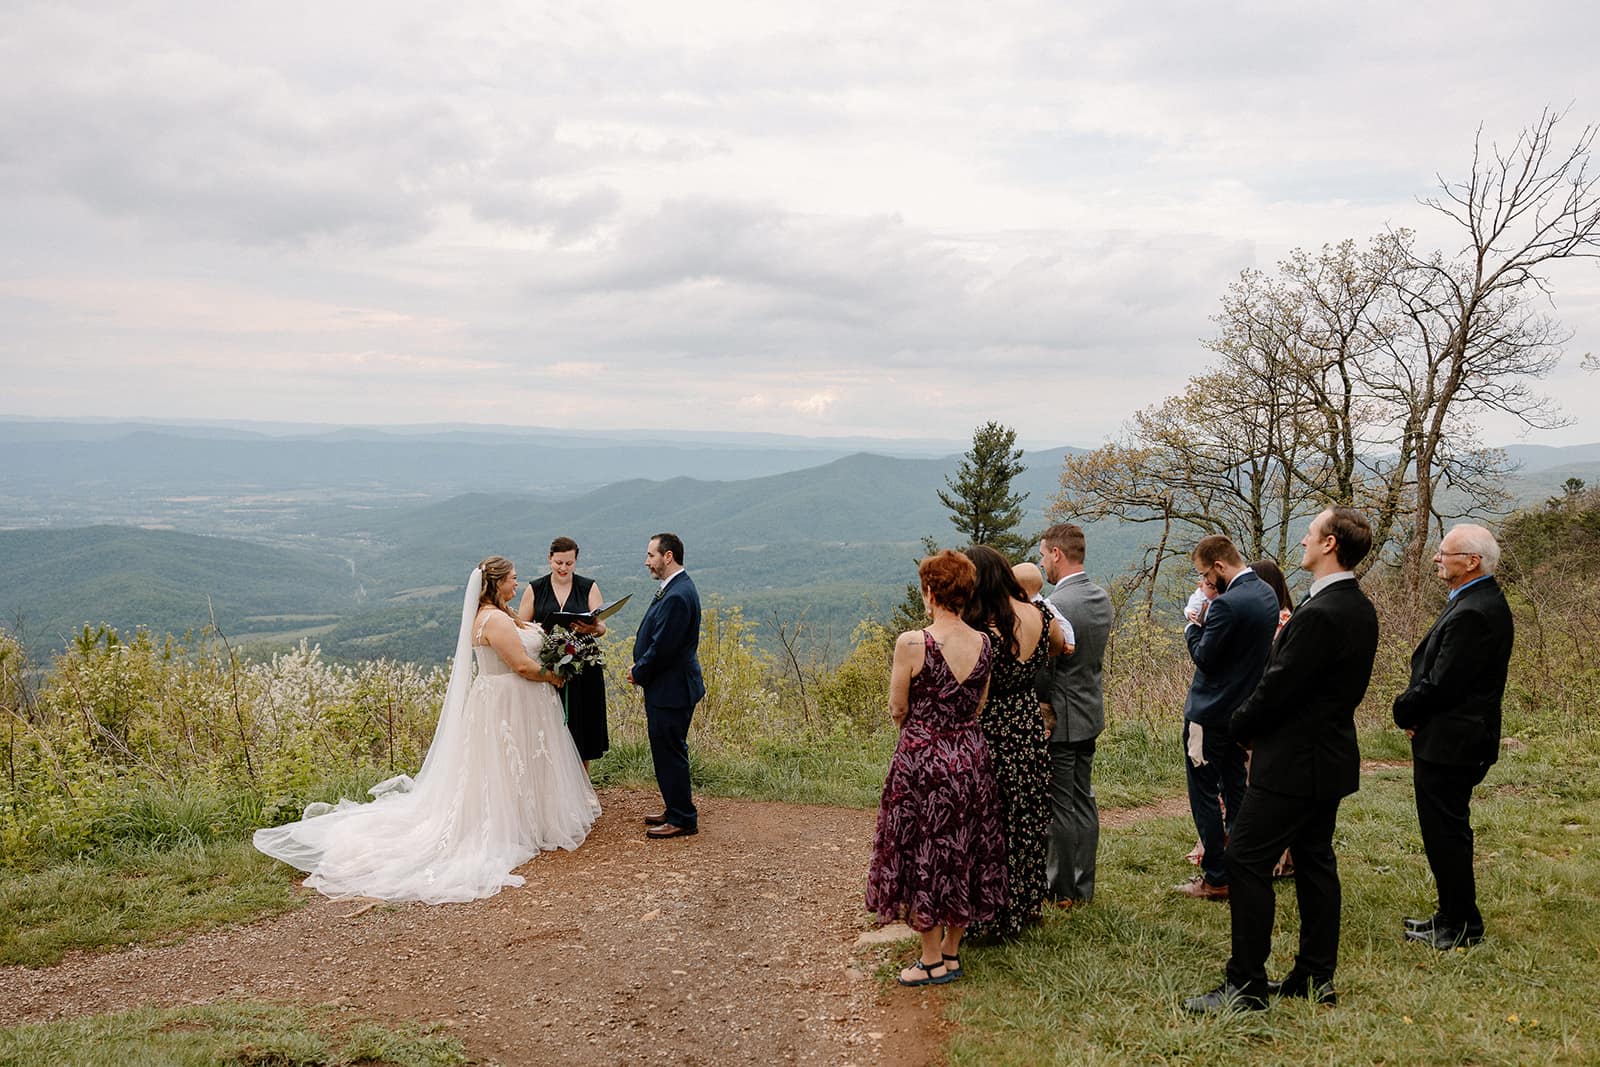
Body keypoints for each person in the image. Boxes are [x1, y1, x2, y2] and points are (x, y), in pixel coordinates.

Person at [253, 556, 601, 902]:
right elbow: (522, 666)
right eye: (512, 578)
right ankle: (511, 824)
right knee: (506, 763)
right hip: (509, 701)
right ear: (495, 583)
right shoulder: (493, 620)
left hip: (518, 703)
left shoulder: (504, 615)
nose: (517, 583)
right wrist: (556, 675)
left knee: (518, 762)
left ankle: (530, 819)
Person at [1185, 508, 1379, 1012]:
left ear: (1330, 544)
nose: (1302, 541)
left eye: (1310, 534)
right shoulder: (1359, 606)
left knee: (1246, 859)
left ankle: (1245, 985)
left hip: (1293, 761)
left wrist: (1240, 728)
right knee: (1316, 859)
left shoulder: (1320, 614)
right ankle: (1315, 976)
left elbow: (1278, 689)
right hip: (1331, 756)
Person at [866, 550, 1007, 985]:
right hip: (971, 757)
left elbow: (897, 706)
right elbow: (978, 705)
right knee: (965, 849)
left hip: (922, 759)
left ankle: (930, 961)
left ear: (929, 591)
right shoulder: (986, 643)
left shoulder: (912, 643)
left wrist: (918, 732)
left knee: (922, 849)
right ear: (966, 592)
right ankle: (951, 951)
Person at [1392, 523, 1513, 950]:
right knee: (1442, 832)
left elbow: (1444, 683)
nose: (1436, 559)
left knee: (1446, 834)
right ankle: (1450, 915)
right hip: (1448, 737)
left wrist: (1403, 710)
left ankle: (1462, 926)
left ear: (1472, 561)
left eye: (1444, 552)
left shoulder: (1475, 613)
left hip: (1453, 742)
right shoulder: (1472, 600)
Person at [963, 546, 1069, 938]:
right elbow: (1058, 646)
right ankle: (1024, 906)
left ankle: (986, 915)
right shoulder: (1039, 614)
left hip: (988, 727)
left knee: (986, 820)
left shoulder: (978, 627)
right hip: (1026, 725)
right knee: (1025, 817)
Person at [1173, 536, 1281, 902]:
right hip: (1242, 711)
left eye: (1205, 574)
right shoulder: (1267, 594)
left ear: (1219, 566)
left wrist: (1192, 626)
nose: (1205, 582)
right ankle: (1242, 866)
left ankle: (1216, 876)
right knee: (1237, 788)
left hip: (1209, 712)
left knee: (1203, 791)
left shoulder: (1226, 606)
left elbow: (1205, 656)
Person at [1036, 523, 1113, 907]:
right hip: (1090, 710)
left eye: (1042, 554)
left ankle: (1060, 889)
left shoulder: (1056, 606)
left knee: (1059, 805)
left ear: (1056, 554)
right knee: (1084, 799)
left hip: (1062, 717)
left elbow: (1045, 668)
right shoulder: (1101, 597)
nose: (1041, 563)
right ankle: (1084, 887)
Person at [627, 533, 705, 840]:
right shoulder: (674, 588)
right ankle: (675, 808)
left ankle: (683, 818)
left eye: (651, 555)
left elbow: (664, 648)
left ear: (668, 556)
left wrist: (639, 671)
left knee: (670, 752)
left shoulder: (676, 595)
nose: (647, 561)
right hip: (668, 687)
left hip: (671, 689)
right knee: (666, 750)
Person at [519, 536, 610, 772]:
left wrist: (591, 628)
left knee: (583, 725)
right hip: (547, 665)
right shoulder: (535, 588)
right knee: (550, 725)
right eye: (559, 562)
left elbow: (601, 626)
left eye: (569, 563)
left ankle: (583, 784)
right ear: (550, 559)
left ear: (576, 562)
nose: (563, 568)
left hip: (583, 665)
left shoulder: (588, 586)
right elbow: (520, 627)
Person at [1248, 557, 1297, 879]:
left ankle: (1270, 857)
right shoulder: (1288, 618)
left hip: (1264, 714)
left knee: (1260, 788)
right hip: (1274, 715)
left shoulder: (1276, 621)